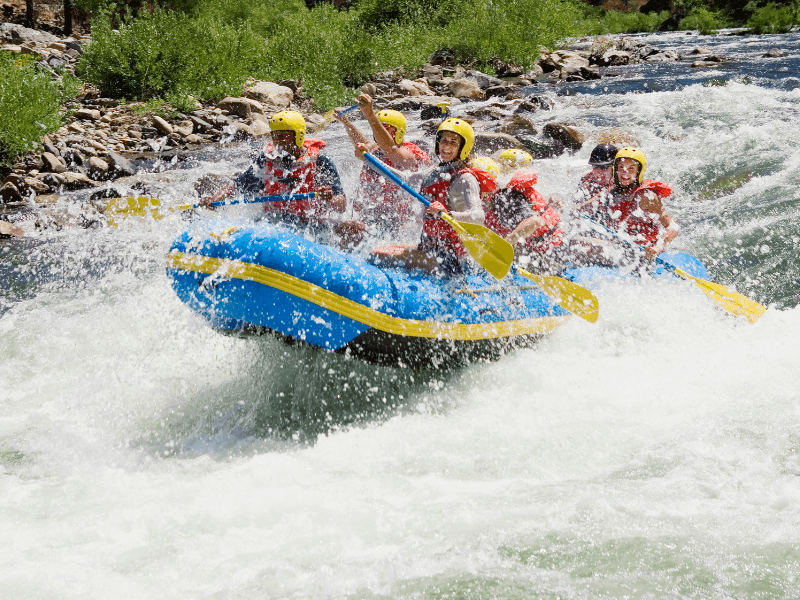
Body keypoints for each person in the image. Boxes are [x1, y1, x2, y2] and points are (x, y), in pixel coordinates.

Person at [356, 117, 496, 276]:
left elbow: (478, 217)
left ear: (463, 148)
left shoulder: (464, 178)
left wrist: (448, 214)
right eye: (444, 141)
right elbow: (403, 179)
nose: (446, 146)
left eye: (453, 143)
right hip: (430, 248)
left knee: (378, 254)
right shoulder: (435, 172)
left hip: (452, 258)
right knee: (384, 248)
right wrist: (369, 159)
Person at [201, 110, 347, 234]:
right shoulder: (266, 160)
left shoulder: (321, 162)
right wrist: (214, 199)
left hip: (310, 224)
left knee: (354, 227)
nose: (278, 140)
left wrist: (329, 198)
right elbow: (237, 186)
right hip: (273, 221)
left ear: (298, 135)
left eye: (283, 135)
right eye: (275, 136)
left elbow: (341, 206)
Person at [335, 94, 430, 232]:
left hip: (398, 219)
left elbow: (393, 153)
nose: (378, 132)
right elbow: (362, 142)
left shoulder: (410, 154)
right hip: (371, 214)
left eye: (384, 129)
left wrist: (370, 115)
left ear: (399, 133)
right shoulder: (375, 148)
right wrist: (346, 122)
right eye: (378, 128)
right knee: (347, 227)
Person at [574, 147, 679, 261]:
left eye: (631, 168)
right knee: (576, 240)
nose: (625, 173)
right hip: (622, 246)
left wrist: (658, 247)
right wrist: (560, 205)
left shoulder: (646, 196)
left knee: (583, 247)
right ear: (616, 170)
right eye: (621, 168)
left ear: (639, 171)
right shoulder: (613, 190)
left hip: (643, 252)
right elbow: (582, 207)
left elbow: (673, 226)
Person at [485, 170, 565, 274]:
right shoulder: (512, 192)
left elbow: (535, 221)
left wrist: (504, 245)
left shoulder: (503, 198)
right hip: (549, 243)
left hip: (554, 250)